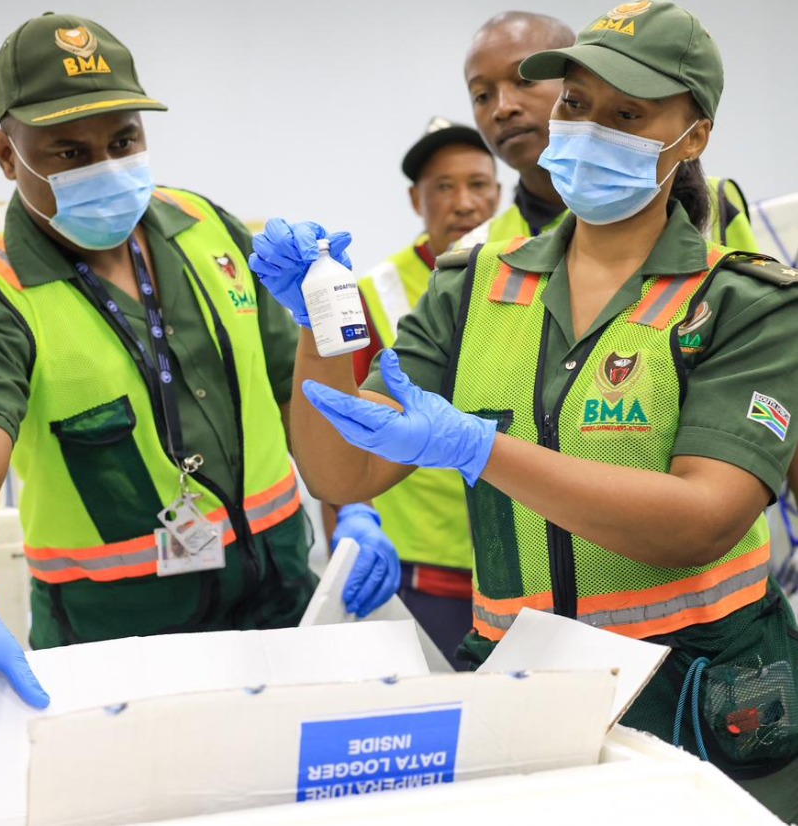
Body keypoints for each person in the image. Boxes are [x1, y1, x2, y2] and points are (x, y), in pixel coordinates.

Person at [249, 2, 798, 819]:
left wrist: (479, 449)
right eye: (575, 104)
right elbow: (343, 472)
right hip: (522, 691)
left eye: (627, 115)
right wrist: (317, 324)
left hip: (698, 694)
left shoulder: (741, 302)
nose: (588, 130)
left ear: (693, 137)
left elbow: (700, 520)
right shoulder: (472, 283)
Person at [0, 12, 399, 742]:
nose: (105, 168)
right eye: (69, 151)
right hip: (116, 641)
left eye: (123, 141)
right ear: (5, 152)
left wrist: (351, 511)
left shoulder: (207, 228)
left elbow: (300, 392)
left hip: (283, 609)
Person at [351, 117, 499, 665]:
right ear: (417, 199)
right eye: (443, 187)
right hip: (424, 567)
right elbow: (346, 428)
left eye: (478, 184)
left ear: (499, 193)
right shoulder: (372, 292)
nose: (464, 203)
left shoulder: (535, 275)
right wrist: (354, 524)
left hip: (526, 554)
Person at [462, 10, 759, 251]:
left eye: (524, 82)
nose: (503, 108)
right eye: (481, 96)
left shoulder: (715, 205)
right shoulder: (477, 250)